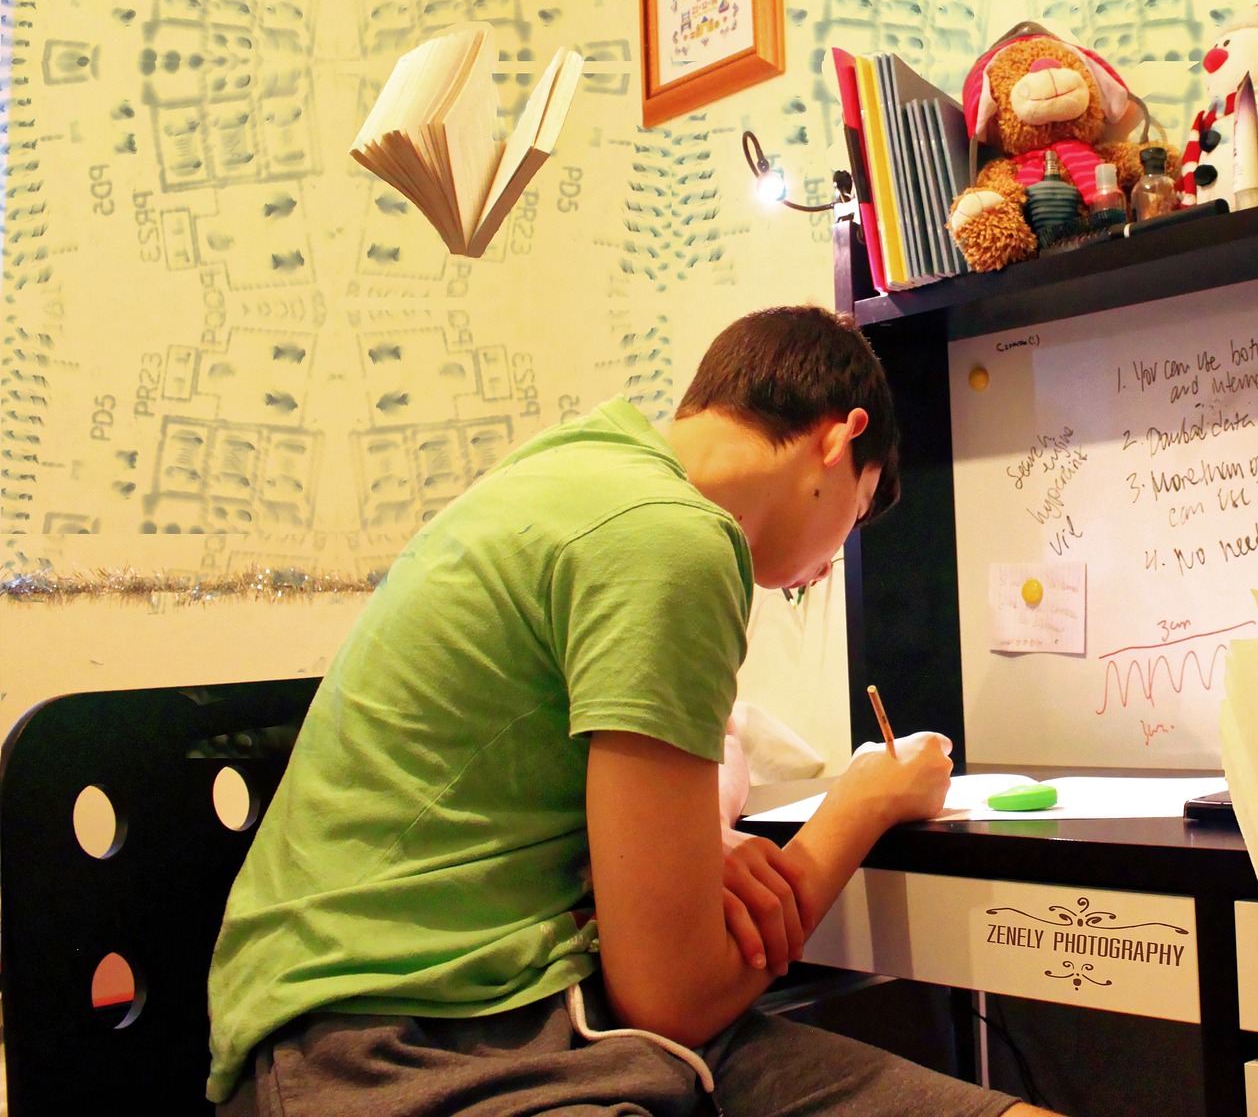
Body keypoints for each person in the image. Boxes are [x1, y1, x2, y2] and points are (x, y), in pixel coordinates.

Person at [207, 306, 1052, 1117]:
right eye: (854, 518)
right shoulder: (671, 539)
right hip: (386, 1040)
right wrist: (863, 804)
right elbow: (674, 996)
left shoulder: (579, 468)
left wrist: (698, 849)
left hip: (503, 993)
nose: (832, 565)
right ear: (839, 441)